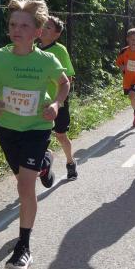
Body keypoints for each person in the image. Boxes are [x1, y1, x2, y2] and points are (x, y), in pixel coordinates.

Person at [0, 0, 69, 269]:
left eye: (24, 26)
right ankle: (44, 163)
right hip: (7, 129)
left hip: (36, 129)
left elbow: (64, 84)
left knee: (24, 187)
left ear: (38, 32)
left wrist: (56, 104)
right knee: (23, 179)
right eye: (13, 24)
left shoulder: (47, 60)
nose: (16, 30)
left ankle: (23, 247)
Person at [38, 15, 78, 181]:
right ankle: (44, 164)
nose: (43, 29)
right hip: (38, 102)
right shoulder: (33, 49)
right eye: (43, 25)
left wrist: (58, 100)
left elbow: (68, 78)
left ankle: (70, 162)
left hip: (57, 102)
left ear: (56, 34)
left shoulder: (59, 50)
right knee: (39, 137)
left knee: (61, 135)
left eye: (48, 27)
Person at [116, 28, 135, 127]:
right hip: (128, 79)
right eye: (132, 39)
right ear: (127, 39)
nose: (134, 42)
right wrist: (122, 67)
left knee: (132, 94)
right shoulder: (124, 51)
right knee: (131, 97)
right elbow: (118, 63)